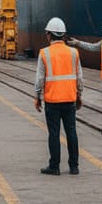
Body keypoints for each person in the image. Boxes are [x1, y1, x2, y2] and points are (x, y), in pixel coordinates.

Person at [35, 17, 82, 176]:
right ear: (63, 35)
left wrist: (37, 96)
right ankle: (74, 167)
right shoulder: (74, 52)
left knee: (54, 134)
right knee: (72, 132)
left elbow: (40, 79)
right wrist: (79, 95)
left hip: (52, 100)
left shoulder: (45, 53)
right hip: (70, 99)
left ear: (49, 35)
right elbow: (79, 77)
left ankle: (54, 166)